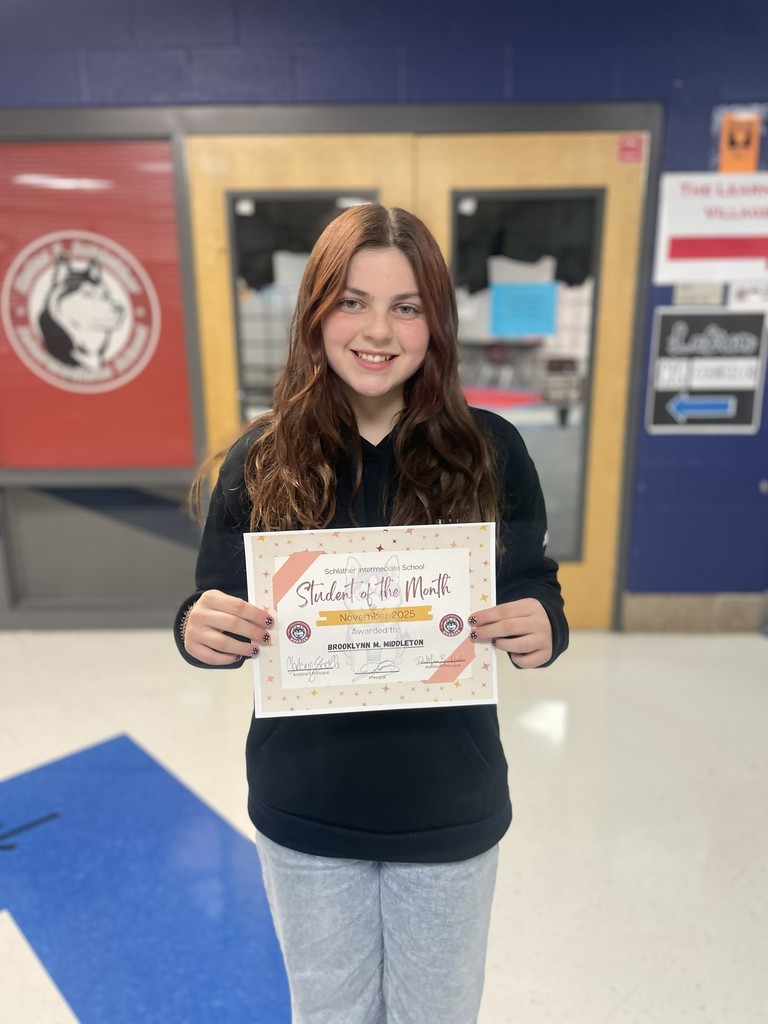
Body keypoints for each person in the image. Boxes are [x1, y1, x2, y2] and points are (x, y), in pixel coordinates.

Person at [174, 203, 568, 1024]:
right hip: (307, 810)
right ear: (316, 313)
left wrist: (542, 628)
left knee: (437, 1013)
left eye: (407, 306)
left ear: (436, 323)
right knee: (330, 1014)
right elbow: (213, 602)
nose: (377, 329)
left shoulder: (490, 452)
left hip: (448, 808)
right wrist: (197, 630)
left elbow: (535, 587)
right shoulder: (262, 459)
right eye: (352, 301)